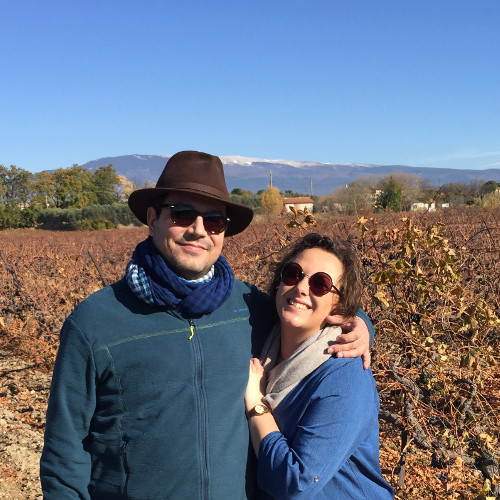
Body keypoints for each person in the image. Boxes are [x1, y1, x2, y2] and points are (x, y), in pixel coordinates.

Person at [40, 151, 374, 499]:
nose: (198, 230)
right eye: (182, 214)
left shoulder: (249, 308)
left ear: (224, 232)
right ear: (152, 219)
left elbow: (312, 312)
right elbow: (64, 453)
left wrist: (360, 325)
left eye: (214, 221)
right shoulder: (97, 322)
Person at [245, 233, 394, 499]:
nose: (302, 287)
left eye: (320, 284)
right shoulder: (265, 341)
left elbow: (297, 483)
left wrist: (257, 405)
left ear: (338, 303)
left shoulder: (344, 372)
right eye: (293, 274)